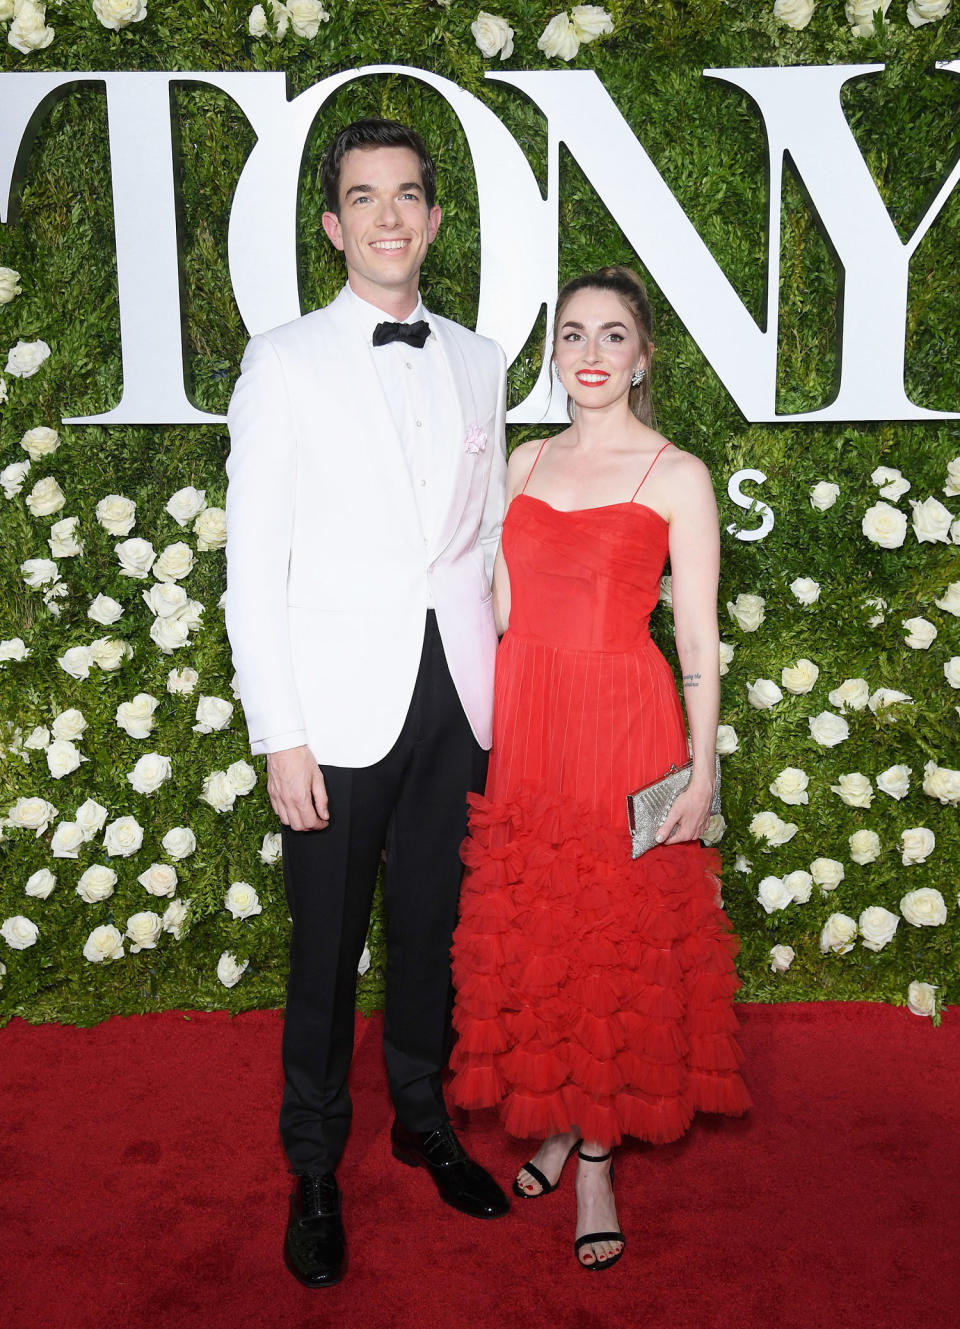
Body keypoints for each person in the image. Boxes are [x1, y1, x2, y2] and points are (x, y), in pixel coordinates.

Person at [225, 118, 509, 1289]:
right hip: (335, 709)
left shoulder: (483, 360)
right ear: (335, 226)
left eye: (408, 195)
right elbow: (253, 566)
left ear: (435, 220)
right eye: (364, 198)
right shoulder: (283, 361)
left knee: (433, 931)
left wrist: (502, 675)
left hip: (459, 694)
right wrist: (278, 732)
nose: (389, 216)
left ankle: (419, 1118)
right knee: (326, 947)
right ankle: (313, 1164)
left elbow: (483, 531)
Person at [448, 266, 751, 1271]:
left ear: (643, 354)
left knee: (615, 935)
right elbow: (489, 603)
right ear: (554, 354)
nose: (589, 352)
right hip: (531, 722)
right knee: (548, 929)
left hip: (626, 723)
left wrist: (701, 769)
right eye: (573, 334)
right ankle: (558, 1115)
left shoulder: (678, 473)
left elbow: (698, 631)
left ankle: (593, 1159)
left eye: (612, 335)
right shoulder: (523, 461)